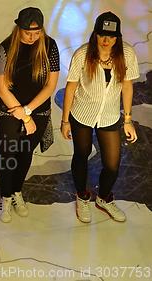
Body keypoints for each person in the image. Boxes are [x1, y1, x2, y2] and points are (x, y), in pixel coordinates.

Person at [0, 7, 60, 223]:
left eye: (37, 33)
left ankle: (17, 191)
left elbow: (50, 85)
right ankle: (5, 196)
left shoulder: (50, 46)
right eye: (28, 33)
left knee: (25, 153)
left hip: (37, 110)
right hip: (10, 109)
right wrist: (23, 116)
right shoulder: (5, 48)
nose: (33, 38)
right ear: (19, 29)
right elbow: (1, 88)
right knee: (8, 154)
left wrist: (28, 111)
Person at [61, 11, 139, 223]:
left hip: (110, 116)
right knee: (81, 155)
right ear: (95, 34)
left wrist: (128, 120)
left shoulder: (127, 54)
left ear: (118, 37)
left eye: (112, 36)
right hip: (82, 114)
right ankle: (82, 195)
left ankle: (104, 198)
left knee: (112, 163)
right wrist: (65, 120)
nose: (106, 40)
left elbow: (127, 86)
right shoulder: (83, 54)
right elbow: (71, 87)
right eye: (102, 35)